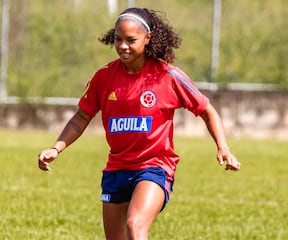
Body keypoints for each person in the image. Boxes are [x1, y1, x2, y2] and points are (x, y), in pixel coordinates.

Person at [38, 7, 241, 240]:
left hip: (154, 167)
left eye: (131, 40)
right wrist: (56, 148)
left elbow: (207, 111)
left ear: (148, 39)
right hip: (116, 168)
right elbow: (82, 117)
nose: (123, 46)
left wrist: (223, 147)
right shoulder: (103, 77)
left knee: (135, 225)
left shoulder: (168, 76)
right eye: (118, 39)